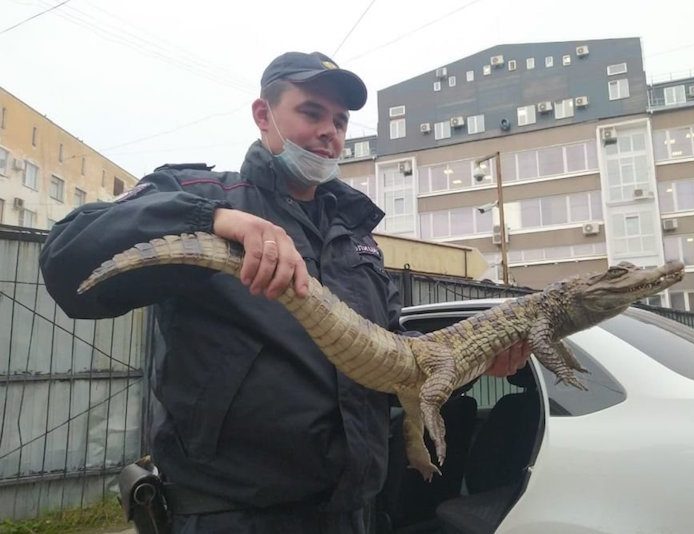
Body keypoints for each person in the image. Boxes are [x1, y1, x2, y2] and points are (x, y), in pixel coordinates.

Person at [40, 51, 528, 533]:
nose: (330, 131)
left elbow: (395, 359)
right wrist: (212, 219)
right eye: (312, 112)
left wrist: (468, 362)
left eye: (340, 121)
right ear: (263, 114)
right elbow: (66, 257)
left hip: (353, 513)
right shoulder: (202, 195)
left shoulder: (355, 237)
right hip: (230, 517)